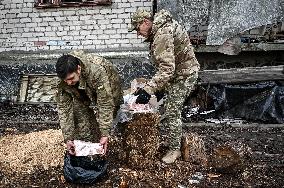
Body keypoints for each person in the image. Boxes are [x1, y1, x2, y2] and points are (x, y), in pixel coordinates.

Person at [129, 9, 200, 163]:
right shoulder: (160, 30)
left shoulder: (162, 34)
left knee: (171, 110)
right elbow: (166, 67)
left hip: (184, 75)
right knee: (165, 105)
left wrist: (148, 90)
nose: (137, 33)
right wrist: (156, 88)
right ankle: (173, 139)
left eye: (137, 28)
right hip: (176, 74)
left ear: (145, 22)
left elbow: (167, 69)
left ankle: (175, 150)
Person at [55, 50, 122, 155]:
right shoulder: (63, 79)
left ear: (78, 69)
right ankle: (91, 145)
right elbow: (64, 109)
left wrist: (105, 133)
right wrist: (68, 138)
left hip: (108, 84)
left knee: (109, 114)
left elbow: (105, 103)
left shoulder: (97, 71)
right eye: (65, 80)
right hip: (81, 87)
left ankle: (105, 140)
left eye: (71, 78)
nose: (68, 82)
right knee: (79, 114)